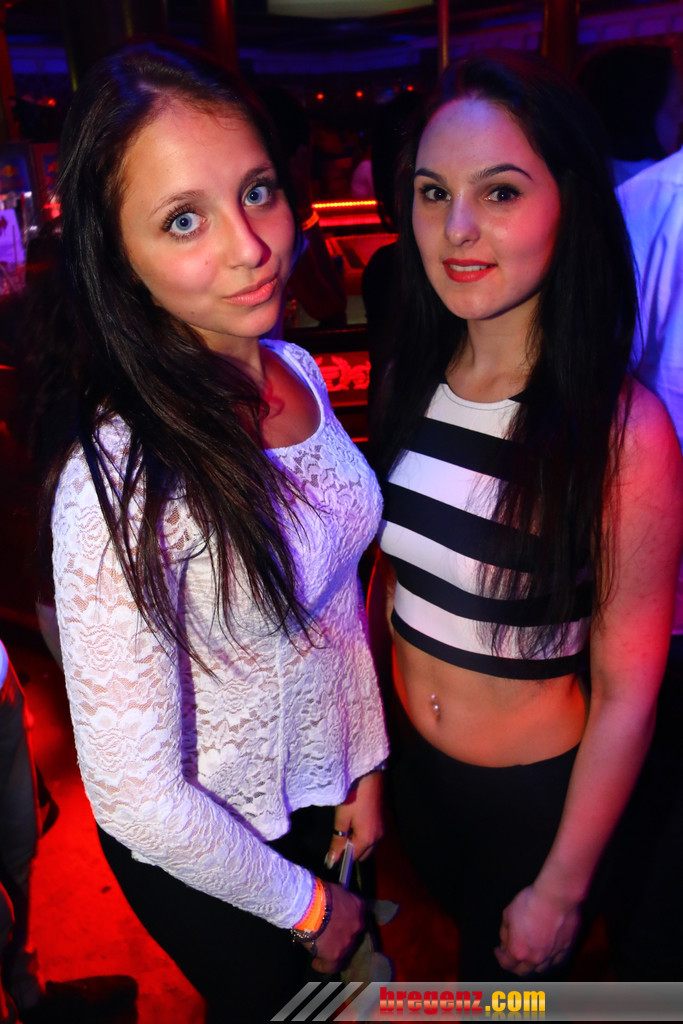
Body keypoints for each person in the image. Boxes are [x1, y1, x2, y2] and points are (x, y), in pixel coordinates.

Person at [42, 44, 387, 1021]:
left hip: (321, 793)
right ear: (117, 255)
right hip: (208, 850)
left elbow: (331, 614)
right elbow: (138, 800)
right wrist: (308, 905)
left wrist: (363, 766)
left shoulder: (294, 370)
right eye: (184, 218)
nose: (252, 245)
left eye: (257, 191)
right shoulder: (118, 479)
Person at [369, 51, 683, 981]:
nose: (456, 228)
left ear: (570, 205)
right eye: (433, 192)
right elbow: (392, 582)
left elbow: (627, 692)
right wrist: (368, 762)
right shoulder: (411, 374)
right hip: (413, 779)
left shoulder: (620, 430)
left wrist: (562, 887)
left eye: (499, 192)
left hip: (529, 806)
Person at [577, 42, 683, 187]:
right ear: (641, 109)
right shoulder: (660, 186)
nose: (681, 117)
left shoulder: (582, 179)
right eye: (677, 103)